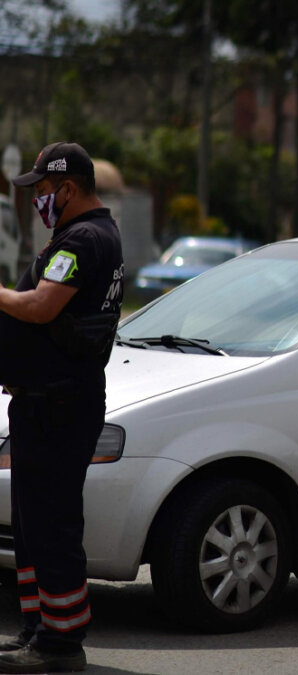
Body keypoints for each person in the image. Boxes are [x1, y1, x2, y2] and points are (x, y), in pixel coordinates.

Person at [0, 142, 123, 673]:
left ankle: (60, 644)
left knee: (51, 525)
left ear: (67, 188)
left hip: (59, 407)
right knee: (30, 526)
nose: (38, 200)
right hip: (41, 405)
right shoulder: (84, 236)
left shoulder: (85, 238)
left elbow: (41, 304)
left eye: (43, 191)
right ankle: (38, 629)